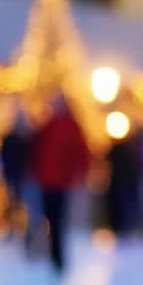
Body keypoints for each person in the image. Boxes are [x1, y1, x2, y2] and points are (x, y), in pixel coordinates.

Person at [30, 98, 90, 274]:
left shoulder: (70, 126)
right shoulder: (49, 125)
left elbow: (81, 152)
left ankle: (57, 253)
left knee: (57, 219)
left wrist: (79, 172)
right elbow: (37, 149)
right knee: (50, 217)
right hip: (47, 180)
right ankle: (52, 251)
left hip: (61, 181)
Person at [0, 114, 31, 238]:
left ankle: (24, 231)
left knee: (23, 205)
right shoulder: (10, 138)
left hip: (24, 178)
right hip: (13, 177)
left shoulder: (27, 139)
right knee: (13, 204)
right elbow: (3, 157)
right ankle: (12, 228)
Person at [105, 133, 143, 237]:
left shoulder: (125, 150)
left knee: (123, 206)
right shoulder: (126, 150)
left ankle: (124, 228)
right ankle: (123, 227)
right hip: (122, 183)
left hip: (122, 183)